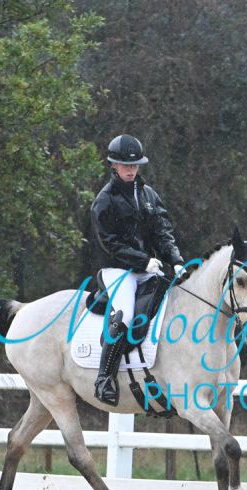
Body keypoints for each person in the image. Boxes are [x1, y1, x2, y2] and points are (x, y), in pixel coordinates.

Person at [90, 134, 185, 406]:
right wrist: (142, 261)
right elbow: (110, 243)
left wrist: (176, 260)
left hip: (147, 267)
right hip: (117, 270)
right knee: (126, 313)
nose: (131, 169)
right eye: (125, 165)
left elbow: (162, 231)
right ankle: (104, 379)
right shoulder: (105, 200)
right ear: (113, 165)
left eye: (134, 165)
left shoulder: (148, 195)